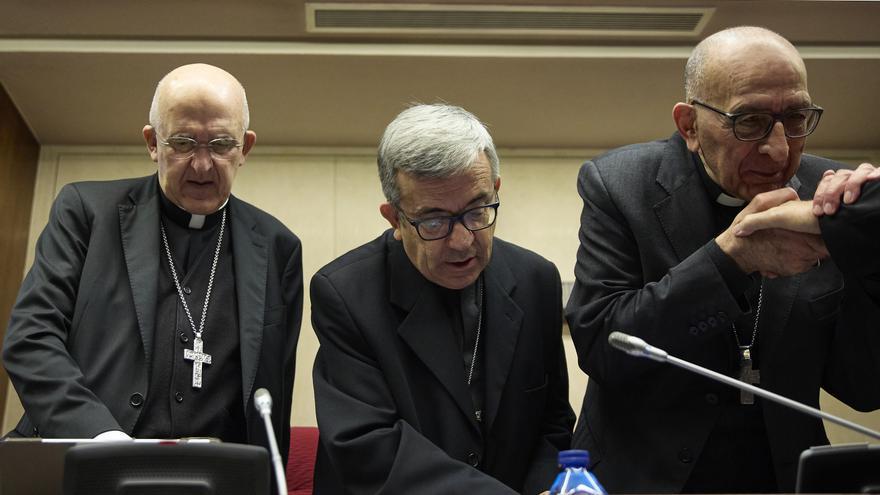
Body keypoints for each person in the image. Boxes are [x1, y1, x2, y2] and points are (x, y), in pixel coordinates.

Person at [564, 26, 880, 493]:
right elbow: (602, 348)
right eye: (748, 122)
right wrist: (730, 258)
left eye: (795, 118)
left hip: (782, 478)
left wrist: (870, 252)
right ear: (689, 126)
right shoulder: (619, 184)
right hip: (645, 479)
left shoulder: (830, 196)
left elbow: (862, 387)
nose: (777, 149)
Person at [2, 64, 303, 464]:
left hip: (209, 478)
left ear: (244, 148)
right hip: (80, 461)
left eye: (219, 144)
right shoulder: (87, 212)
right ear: (152, 143)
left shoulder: (277, 247)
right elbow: (31, 338)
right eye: (182, 142)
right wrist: (99, 436)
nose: (201, 165)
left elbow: (273, 395)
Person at [311, 103, 574, 494]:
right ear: (394, 219)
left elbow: (551, 428)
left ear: (495, 190)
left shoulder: (536, 280)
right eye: (434, 221)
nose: (463, 240)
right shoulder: (346, 294)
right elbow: (369, 446)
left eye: (476, 210)